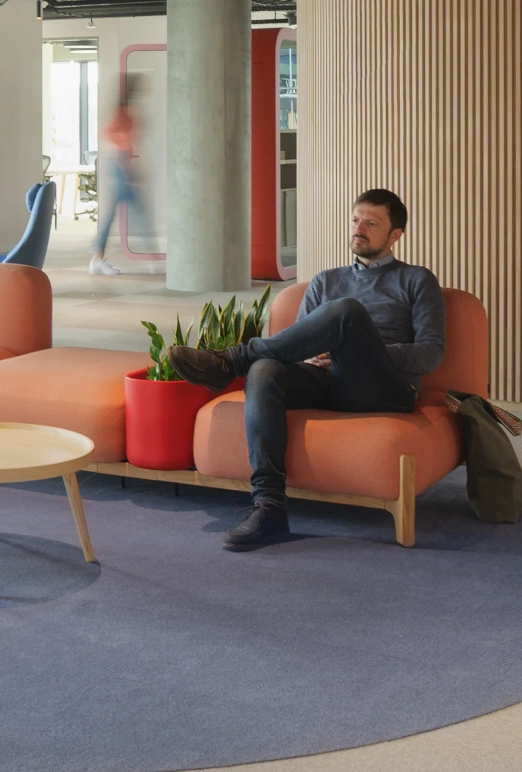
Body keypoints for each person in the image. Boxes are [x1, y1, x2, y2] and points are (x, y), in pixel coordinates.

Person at [166, 189, 447, 552]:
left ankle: (232, 360)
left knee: (346, 312)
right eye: (355, 220)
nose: (358, 229)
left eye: (371, 223)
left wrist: (366, 351)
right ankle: (269, 507)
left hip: (383, 389)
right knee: (265, 370)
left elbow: (431, 354)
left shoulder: (417, 280)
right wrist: (313, 358)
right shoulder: (325, 281)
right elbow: (295, 346)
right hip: (329, 384)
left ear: (395, 235)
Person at [88, 75, 153, 276]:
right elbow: (108, 133)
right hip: (120, 166)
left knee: (124, 213)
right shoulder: (122, 113)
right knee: (139, 212)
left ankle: (98, 258)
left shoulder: (127, 112)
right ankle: (151, 258)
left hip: (123, 164)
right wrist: (125, 155)